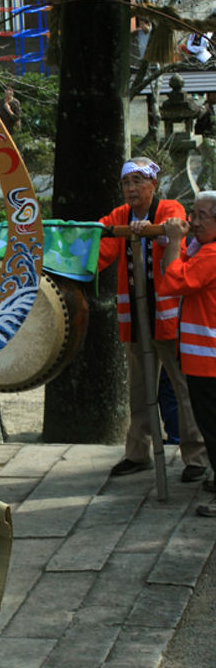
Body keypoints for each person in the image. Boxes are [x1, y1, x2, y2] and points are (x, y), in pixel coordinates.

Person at [98, 157, 208, 481]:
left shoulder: (169, 208)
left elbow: (172, 230)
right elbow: (101, 243)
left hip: (166, 316)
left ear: (153, 185)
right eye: (126, 183)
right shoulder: (121, 216)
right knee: (138, 386)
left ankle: (197, 456)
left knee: (181, 386)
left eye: (137, 182)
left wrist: (150, 231)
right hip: (134, 315)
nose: (131, 189)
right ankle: (137, 452)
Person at [159, 192, 216, 516]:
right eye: (192, 214)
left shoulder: (209, 256)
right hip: (203, 357)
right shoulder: (205, 251)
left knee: (213, 427)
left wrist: (172, 242)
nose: (193, 222)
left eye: (201, 216)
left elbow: (171, 281)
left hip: (208, 359)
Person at [194, 91, 216, 189]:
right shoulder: (205, 108)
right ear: (209, 95)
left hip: (211, 139)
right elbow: (198, 127)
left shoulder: (211, 108)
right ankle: (214, 186)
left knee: (207, 164)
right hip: (206, 139)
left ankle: (199, 185)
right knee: (213, 162)